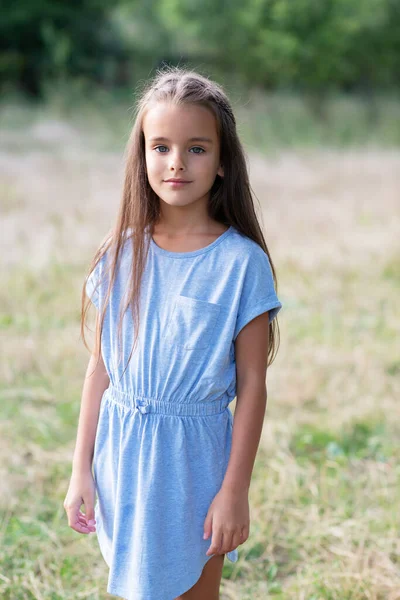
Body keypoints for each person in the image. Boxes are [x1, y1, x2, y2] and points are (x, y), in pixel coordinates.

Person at [64, 66, 283, 600]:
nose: (176, 162)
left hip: (195, 465)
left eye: (197, 148)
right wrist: (81, 472)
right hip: (123, 458)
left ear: (224, 160)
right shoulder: (120, 254)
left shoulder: (240, 264)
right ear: (141, 156)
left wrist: (235, 491)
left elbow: (253, 385)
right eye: (160, 146)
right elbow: (102, 368)